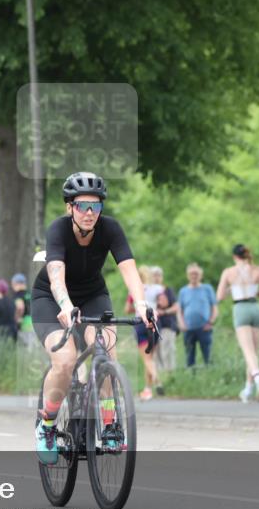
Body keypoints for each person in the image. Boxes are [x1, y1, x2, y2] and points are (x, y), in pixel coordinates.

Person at [31, 172, 156, 463]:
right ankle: (47, 425)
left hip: (93, 295)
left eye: (96, 207)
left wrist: (141, 305)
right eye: (82, 206)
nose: (89, 213)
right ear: (69, 208)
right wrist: (65, 304)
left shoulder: (110, 229)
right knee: (64, 361)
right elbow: (56, 277)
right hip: (52, 298)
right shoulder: (58, 230)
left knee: (106, 351)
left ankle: (110, 423)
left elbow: (129, 270)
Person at [217, 244, 259, 403]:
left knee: (247, 350)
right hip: (256, 307)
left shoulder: (229, 272)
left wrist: (230, 291)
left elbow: (219, 296)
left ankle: (258, 377)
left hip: (240, 308)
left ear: (234, 257)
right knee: (254, 351)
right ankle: (248, 389)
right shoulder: (258, 269)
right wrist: (258, 292)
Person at [125, 265, 163, 401]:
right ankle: (148, 389)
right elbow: (163, 303)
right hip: (155, 322)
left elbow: (127, 309)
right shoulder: (158, 288)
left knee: (147, 359)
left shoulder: (134, 290)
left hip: (141, 323)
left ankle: (158, 381)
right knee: (151, 357)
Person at [178, 263, 218, 368]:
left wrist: (211, 321)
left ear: (200, 275)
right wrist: (182, 324)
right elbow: (179, 310)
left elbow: (214, 308)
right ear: (188, 275)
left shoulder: (207, 289)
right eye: (191, 274)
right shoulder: (183, 291)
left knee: (208, 354)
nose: (194, 276)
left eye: (196, 273)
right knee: (189, 355)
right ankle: (191, 377)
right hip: (188, 328)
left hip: (204, 327)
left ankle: (210, 373)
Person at [151, 267, 178, 394]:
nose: (156, 277)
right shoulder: (148, 291)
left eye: (158, 275)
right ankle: (160, 383)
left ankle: (171, 378)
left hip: (167, 325)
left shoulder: (167, 290)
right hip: (154, 327)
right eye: (154, 275)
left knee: (168, 351)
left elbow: (176, 306)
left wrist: (164, 312)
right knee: (156, 355)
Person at [11, 273, 35, 348]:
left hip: (24, 323)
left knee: (23, 349)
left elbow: (20, 307)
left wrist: (17, 318)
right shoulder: (30, 294)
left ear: (15, 283)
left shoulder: (18, 295)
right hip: (33, 323)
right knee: (31, 348)